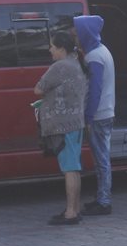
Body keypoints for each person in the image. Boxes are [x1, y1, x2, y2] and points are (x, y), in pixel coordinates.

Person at [34, 31, 88, 225]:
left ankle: (71, 213)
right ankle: (73, 208)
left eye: (53, 47)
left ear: (61, 49)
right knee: (73, 167)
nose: (50, 50)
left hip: (63, 124)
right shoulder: (76, 64)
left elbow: (38, 88)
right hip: (76, 121)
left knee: (69, 168)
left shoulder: (60, 67)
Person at [75, 14, 116, 216]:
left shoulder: (94, 57)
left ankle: (104, 200)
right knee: (102, 158)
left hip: (99, 115)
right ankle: (102, 197)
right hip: (106, 111)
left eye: (77, 31)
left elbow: (95, 90)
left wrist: (88, 117)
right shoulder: (102, 51)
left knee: (101, 159)